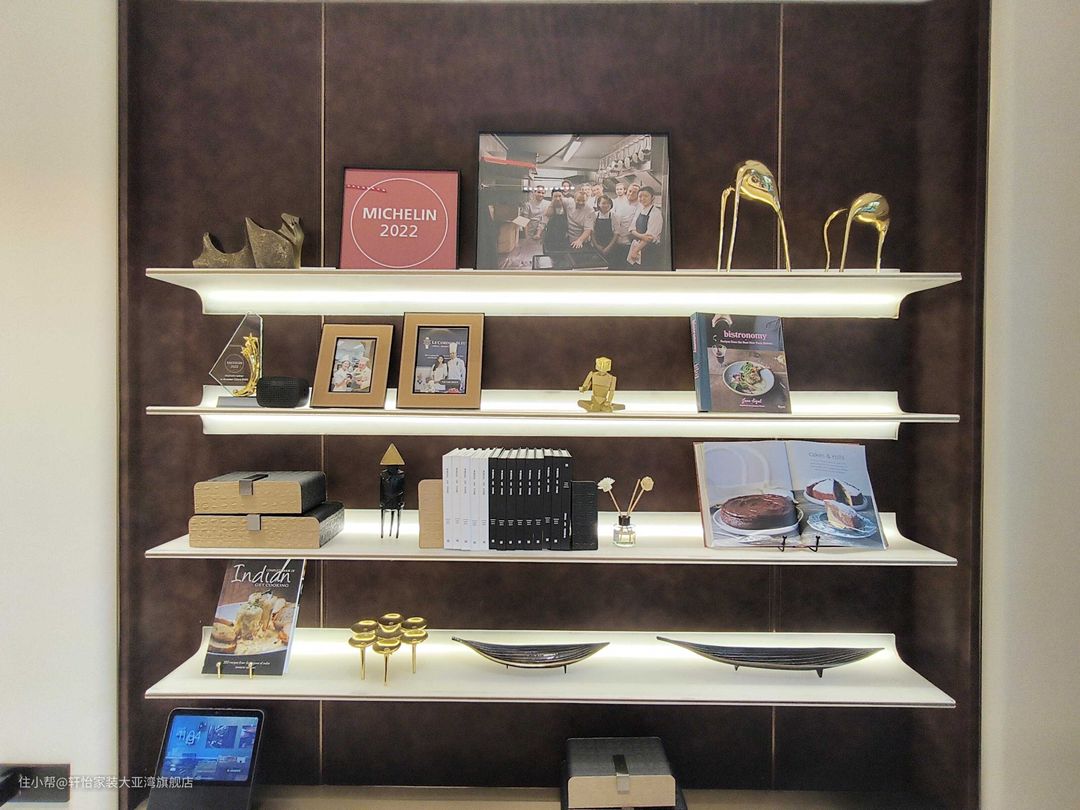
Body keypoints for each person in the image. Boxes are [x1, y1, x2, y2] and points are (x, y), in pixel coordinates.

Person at [626, 186, 664, 268]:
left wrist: (636, 250)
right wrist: (642, 236)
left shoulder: (655, 213)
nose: (642, 198)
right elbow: (631, 228)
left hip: (649, 250)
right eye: (640, 196)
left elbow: (649, 238)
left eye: (646, 196)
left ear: (652, 197)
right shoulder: (640, 210)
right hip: (637, 246)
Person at [591, 195, 617, 263]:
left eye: (608, 203)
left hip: (610, 246)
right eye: (603, 203)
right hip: (597, 245)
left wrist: (608, 248)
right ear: (599, 204)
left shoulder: (614, 216)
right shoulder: (595, 215)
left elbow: (616, 234)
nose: (606, 205)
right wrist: (596, 245)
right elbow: (592, 232)